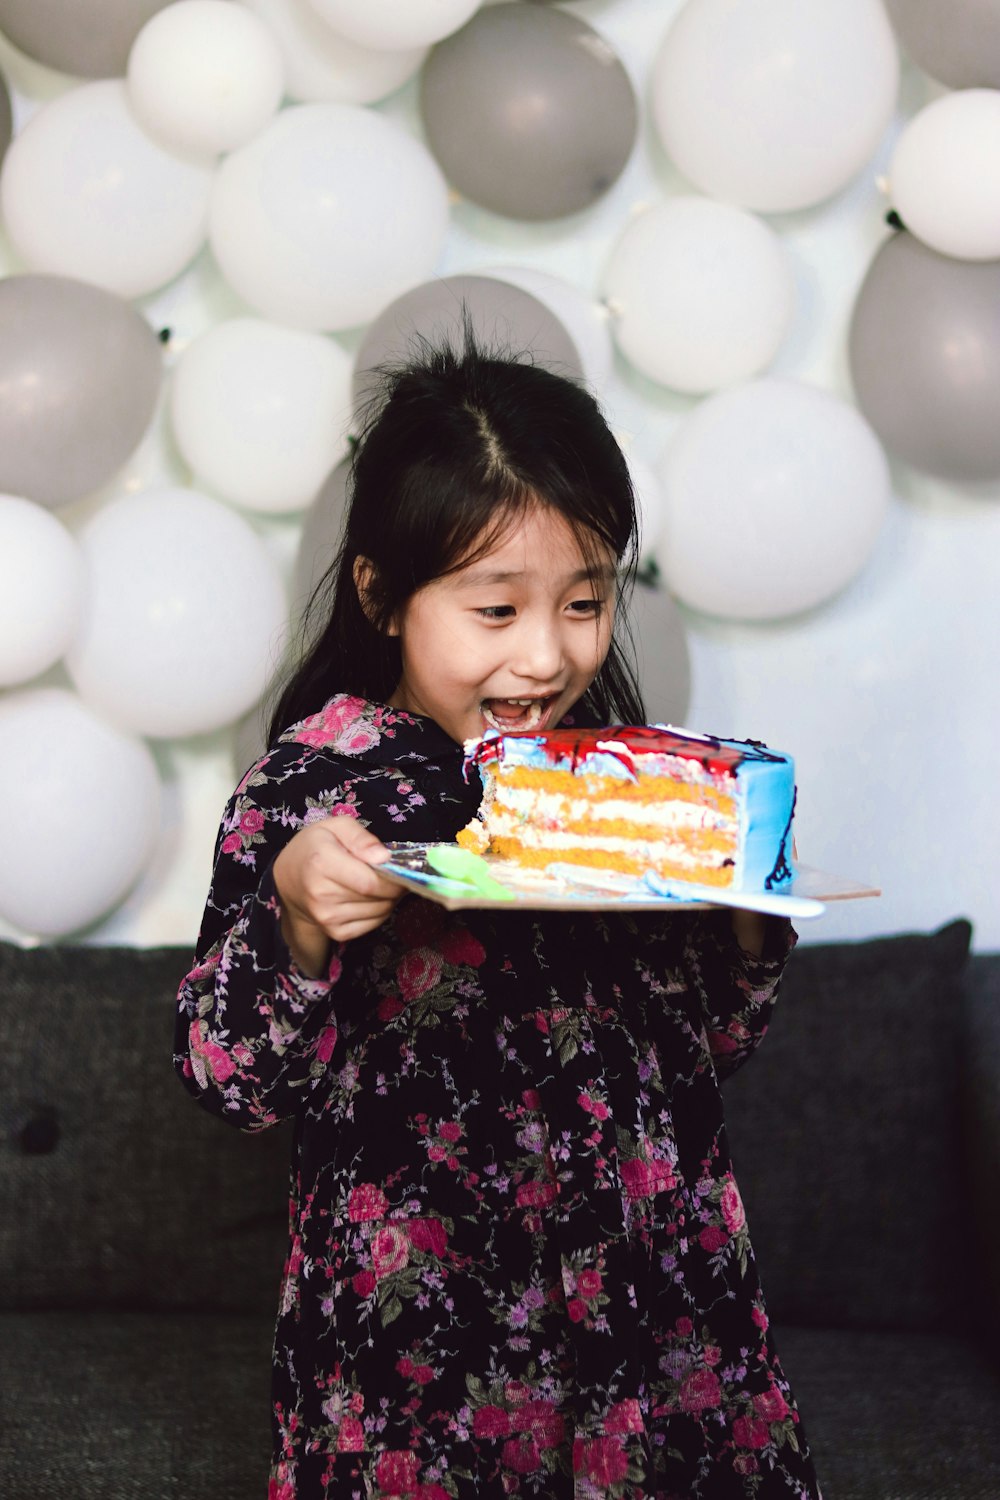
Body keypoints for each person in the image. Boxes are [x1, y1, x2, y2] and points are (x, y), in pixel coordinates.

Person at [175, 332, 822, 1500]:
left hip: (653, 1310)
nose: (547, 652)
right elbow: (228, 1079)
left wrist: (744, 915)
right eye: (495, 608)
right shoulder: (316, 789)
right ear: (379, 591)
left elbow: (716, 1049)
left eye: (583, 601)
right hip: (431, 1346)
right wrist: (298, 920)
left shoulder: (622, 788)